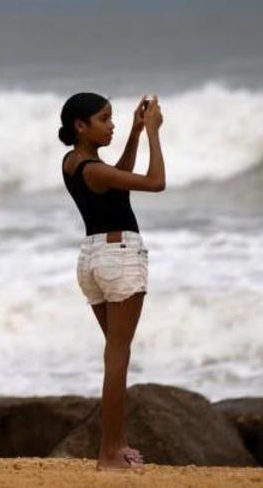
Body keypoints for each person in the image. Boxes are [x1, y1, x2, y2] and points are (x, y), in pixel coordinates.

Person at [58, 92, 165, 471]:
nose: (112, 125)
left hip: (93, 259)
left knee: (115, 355)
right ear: (80, 126)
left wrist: (135, 133)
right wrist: (154, 132)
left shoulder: (75, 163)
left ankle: (115, 445)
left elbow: (115, 183)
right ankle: (108, 453)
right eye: (104, 119)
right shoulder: (93, 169)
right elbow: (156, 182)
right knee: (117, 357)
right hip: (118, 257)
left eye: (113, 118)